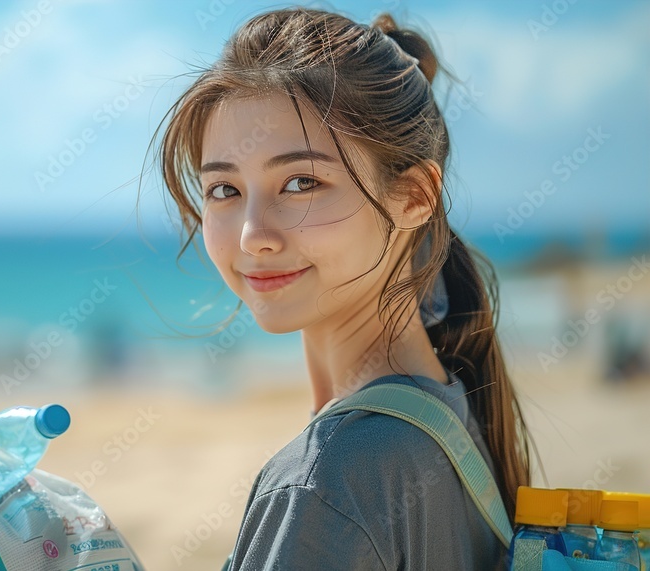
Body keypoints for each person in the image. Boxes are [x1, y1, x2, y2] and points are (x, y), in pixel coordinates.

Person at [153, 7, 532, 569]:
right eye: (224, 189)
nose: (254, 235)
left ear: (414, 197)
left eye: (302, 182)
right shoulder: (451, 415)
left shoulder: (327, 482)